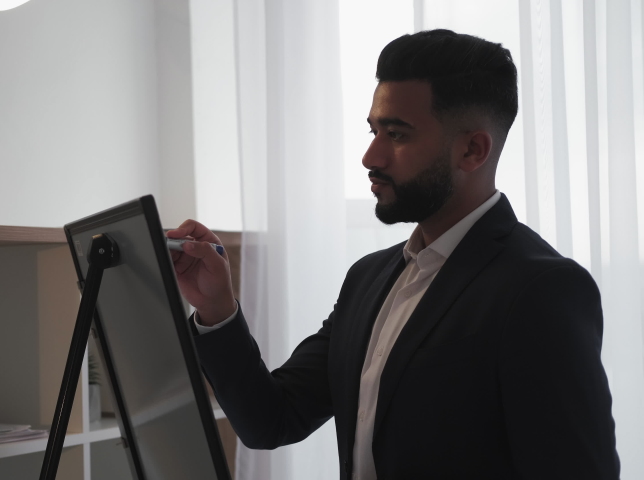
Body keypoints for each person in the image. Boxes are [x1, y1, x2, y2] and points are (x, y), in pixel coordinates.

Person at [167, 29, 619, 480]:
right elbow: (272, 420)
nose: (370, 155)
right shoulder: (368, 278)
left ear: (472, 149)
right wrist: (215, 307)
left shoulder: (541, 290)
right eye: (374, 130)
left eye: (397, 135)